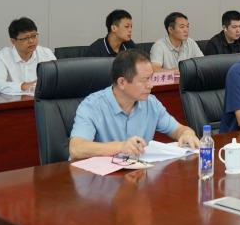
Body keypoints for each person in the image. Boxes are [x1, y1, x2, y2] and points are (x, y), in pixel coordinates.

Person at [68, 49, 200, 159]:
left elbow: (178, 129)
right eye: (144, 80)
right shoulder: (92, 106)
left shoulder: (151, 103)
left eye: (151, 78)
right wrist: (120, 146)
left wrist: (187, 134)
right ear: (122, 82)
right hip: (100, 178)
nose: (150, 85)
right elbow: (76, 148)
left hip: (137, 176)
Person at [0, 16, 56, 95]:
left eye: (34, 36)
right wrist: (23, 86)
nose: (31, 41)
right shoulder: (1, 58)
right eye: (26, 38)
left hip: (43, 100)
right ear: (13, 41)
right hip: (14, 101)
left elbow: (58, 78)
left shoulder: (46, 53)